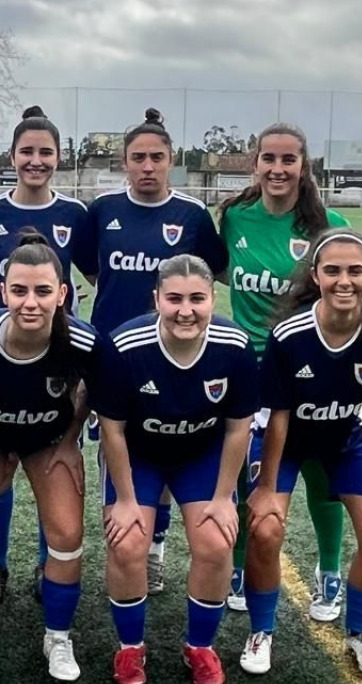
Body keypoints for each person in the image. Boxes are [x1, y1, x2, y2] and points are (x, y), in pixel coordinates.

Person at [237, 229, 362, 679]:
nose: (344, 280)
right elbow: (279, 417)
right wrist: (268, 488)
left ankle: (360, 631)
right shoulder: (290, 335)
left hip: (343, 441)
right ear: (316, 276)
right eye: (332, 270)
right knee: (267, 528)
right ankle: (261, 631)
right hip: (285, 442)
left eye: (355, 270)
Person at [81, 108, 230, 595]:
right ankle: (131, 543)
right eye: (138, 158)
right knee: (119, 449)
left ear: (172, 161)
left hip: (176, 355)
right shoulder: (102, 211)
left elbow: (210, 274)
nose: (148, 166)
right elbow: (90, 268)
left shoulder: (190, 215)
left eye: (157, 158)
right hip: (112, 357)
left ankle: (157, 551)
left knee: (169, 451)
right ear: (124, 162)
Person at [93, 255, 257, 684]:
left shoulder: (234, 345)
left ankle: (199, 647)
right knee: (127, 543)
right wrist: (126, 501)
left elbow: (239, 429)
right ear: (157, 300)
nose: (186, 310)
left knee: (216, 542)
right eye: (175, 299)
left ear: (213, 298)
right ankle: (130, 649)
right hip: (138, 455)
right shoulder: (125, 346)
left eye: (197, 299)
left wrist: (224, 498)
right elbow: (111, 430)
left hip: (200, 455)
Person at [0, 230, 99, 681]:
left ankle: (58, 636)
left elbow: (97, 391)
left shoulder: (84, 342)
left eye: (42, 291)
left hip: (47, 439)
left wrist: (71, 436)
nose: (30, 302)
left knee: (68, 535)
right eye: (19, 290)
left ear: (62, 294)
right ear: (2, 292)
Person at [217, 123, 353, 618]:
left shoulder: (328, 224)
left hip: (309, 367)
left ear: (303, 167)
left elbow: (344, 296)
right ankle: (235, 565)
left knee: (321, 470)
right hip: (247, 369)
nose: (277, 168)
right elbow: (210, 272)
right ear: (255, 163)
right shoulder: (234, 219)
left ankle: (330, 571)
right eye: (268, 158)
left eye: (288, 160)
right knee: (242, 474)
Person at [0, 105, 93, 605]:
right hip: (1, 357)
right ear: (13, 155)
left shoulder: (76, 215)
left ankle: (50, 562)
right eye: (27, 151)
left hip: (57, 358)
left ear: (59, 157)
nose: (36, 161)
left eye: (45, 152)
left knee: (54, 460)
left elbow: (96, 276)